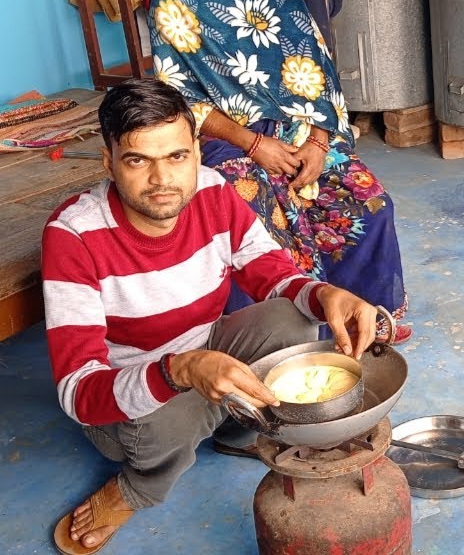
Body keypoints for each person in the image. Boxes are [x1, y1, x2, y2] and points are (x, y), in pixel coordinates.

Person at [42, 79, 380, 554]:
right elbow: (77, 392)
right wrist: (179, 370)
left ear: (197, 153)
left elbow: (271, 272)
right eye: (139, 160)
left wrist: (323, 294)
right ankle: (139, 486)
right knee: (166, 419)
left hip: (203, 348)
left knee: (294, 321)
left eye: (177, 157)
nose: (163, 181)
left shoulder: (212, 190)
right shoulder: (73, 234)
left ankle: (239, 422)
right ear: (109, 162)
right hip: (128, 396)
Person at [147, 0, 412, 345]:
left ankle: (366, 320)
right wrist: (254, 145)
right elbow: (179, 98)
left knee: (369, 203)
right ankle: (284, 341)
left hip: (299, 129)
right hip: (227, 139)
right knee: (264, 219)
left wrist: (316, 139)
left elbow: (316, 62)